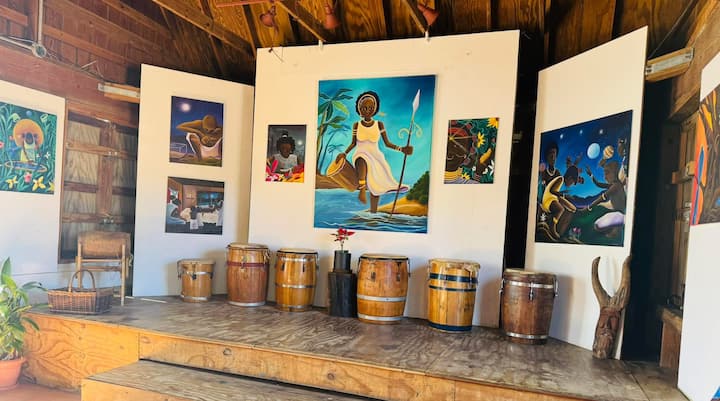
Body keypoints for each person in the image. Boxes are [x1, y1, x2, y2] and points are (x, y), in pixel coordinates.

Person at [334, 91, 413, 213]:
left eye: (370, 108)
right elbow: (353, 143)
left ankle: (373, 213)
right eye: (364, 108)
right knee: (362, 158)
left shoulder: (379, 124)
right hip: (360, 153)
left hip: (376, 156)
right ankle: (362, 190)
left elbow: (387, 143)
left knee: (376, 186)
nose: (367, 110)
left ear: (375, 109)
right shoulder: (356, 125)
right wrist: (344, 153)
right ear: (359, 109)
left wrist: (402, 149)